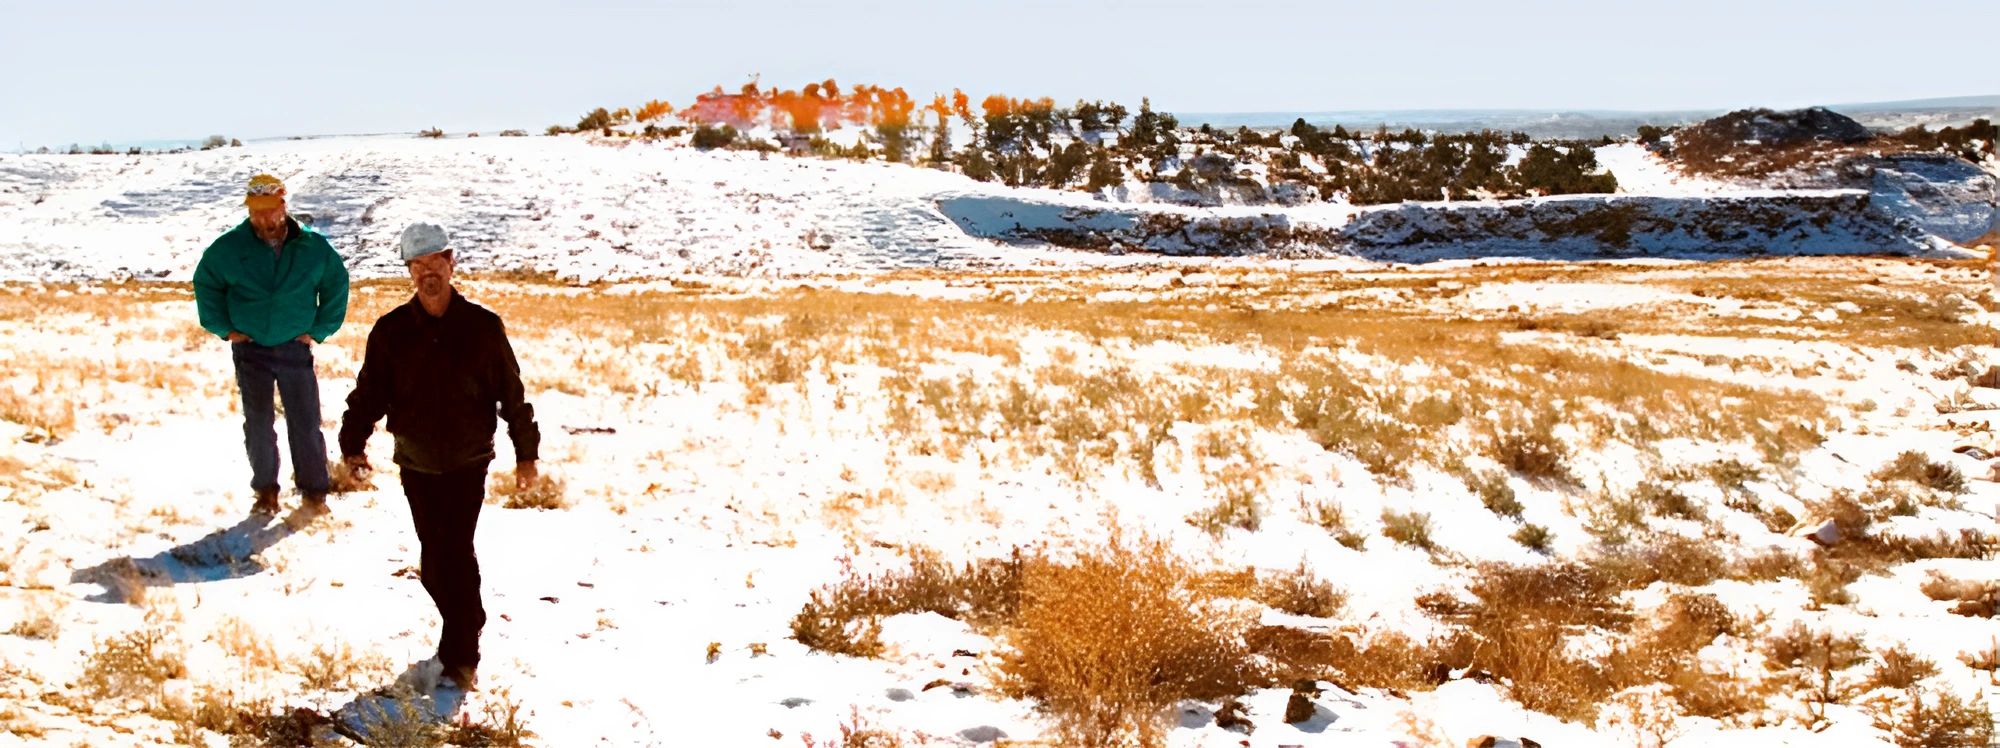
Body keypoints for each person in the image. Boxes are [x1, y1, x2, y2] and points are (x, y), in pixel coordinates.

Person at [338, 222, 540, 691]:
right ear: (409, 271)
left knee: (455, 551)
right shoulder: (390, 332)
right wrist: (353, 445)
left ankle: (462, 651)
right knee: (434, 561)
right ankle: (468, 619)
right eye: (418, 264)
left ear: (452, 263)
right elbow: (368, 393)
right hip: (417, 461)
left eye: (436, 262)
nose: (429, 272)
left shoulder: (483, 327)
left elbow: (513, 394)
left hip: (470, 460)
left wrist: (526, 454)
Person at [193, 174, 350, 516]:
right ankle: (265, 491)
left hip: (295, 346)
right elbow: (206, 284)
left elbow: (336, 284)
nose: (262, 218)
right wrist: (224, 328)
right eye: (255, 211)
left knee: (305, 421)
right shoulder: (228, 248)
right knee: (259, 422)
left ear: (283, 206)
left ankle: (314, 493)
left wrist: (319, 329)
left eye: (269, 210)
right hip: (251, 349)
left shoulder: (313, 247)